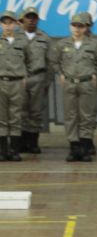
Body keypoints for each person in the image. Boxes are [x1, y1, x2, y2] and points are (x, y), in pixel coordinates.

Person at [57, 10, 97, 162]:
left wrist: (96, 76)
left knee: (86, 116)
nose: (77, 28)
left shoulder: (94, 44)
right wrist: (61, 73)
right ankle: (74, 147)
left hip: (86, 83)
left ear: (86, 27)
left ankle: (85, 147)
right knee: (70, 116)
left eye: (80, 26)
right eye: (74, 25)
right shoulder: (62, 44)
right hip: (70, 83)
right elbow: (54, 61)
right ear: (70, 26)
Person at [18, 9, 50, 154]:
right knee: (21, 110)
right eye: (28, 17)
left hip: (38, 77)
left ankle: (33, 142)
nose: (31, 20)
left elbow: (50, 61)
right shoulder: (15, 37)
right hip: (20, 78)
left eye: (34, 17)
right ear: (22, 19)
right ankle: (21, 142)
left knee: (36, 111)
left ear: (38, 20)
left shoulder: (44, 37)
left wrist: (47, 81)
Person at [0, 11, 25, 162]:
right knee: (1, 117)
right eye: (4, 23)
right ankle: (2, 151)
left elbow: (29, 61)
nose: (7, 26)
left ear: (16, 24)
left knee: (15, 116)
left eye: (10, 23)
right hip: (0, 81)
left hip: (17, 82)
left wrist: (25, 77)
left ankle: (15, 150)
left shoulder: (22, 42)